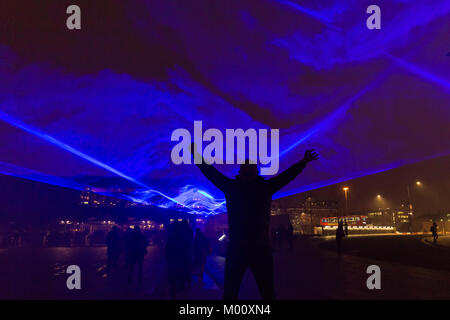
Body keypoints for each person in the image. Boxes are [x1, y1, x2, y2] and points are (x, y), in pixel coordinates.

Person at [190, 142, 319, 300]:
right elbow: (287, 176)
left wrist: (195, 155)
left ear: (240, 172)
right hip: (260, 247)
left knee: (230, 293)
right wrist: (303, 162)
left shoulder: (232, 187)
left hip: (237, 248)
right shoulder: (265, 187)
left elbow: (210, 172)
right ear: (255, 172)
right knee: (267, 292)